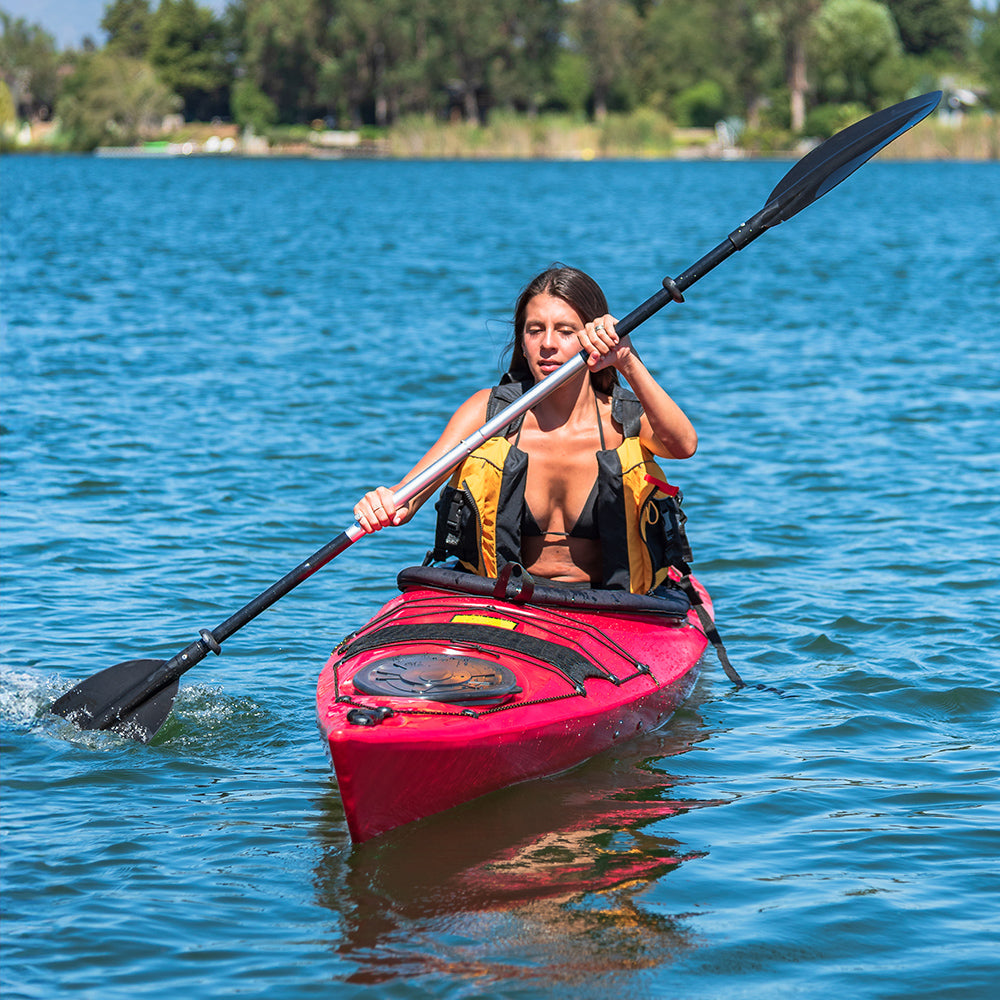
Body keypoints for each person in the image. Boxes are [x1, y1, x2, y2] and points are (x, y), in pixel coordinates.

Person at [353, 265, 697, 593]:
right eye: (535, 330)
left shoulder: (626, 420)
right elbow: (408, 498)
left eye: (566, 331)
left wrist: (627, 360)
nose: (548, 343)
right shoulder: (487, 414)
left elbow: (683, 445)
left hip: (610, 604)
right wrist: (383, 502)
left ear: (592, 340)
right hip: (506, 600)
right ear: (522, 343)